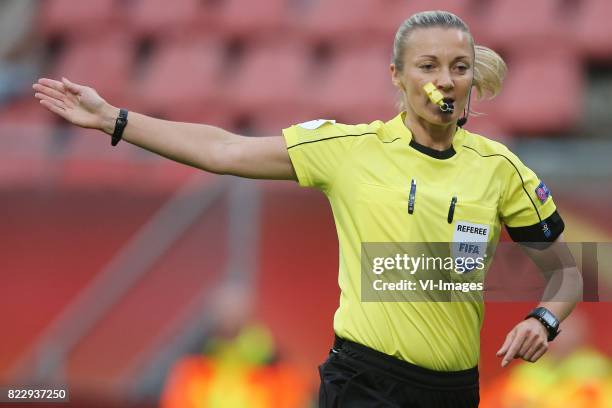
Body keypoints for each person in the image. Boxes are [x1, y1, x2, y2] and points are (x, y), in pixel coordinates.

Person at [32, 10, 582, 408]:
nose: (445, 80)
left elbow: (570, 272)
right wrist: (115, 120)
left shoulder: (500, 169)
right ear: (397, 76)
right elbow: (224, 149)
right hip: (365, 380)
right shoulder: (349, 149)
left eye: (458, 67)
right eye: (428, 65)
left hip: (456, 390)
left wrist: (545, 317)